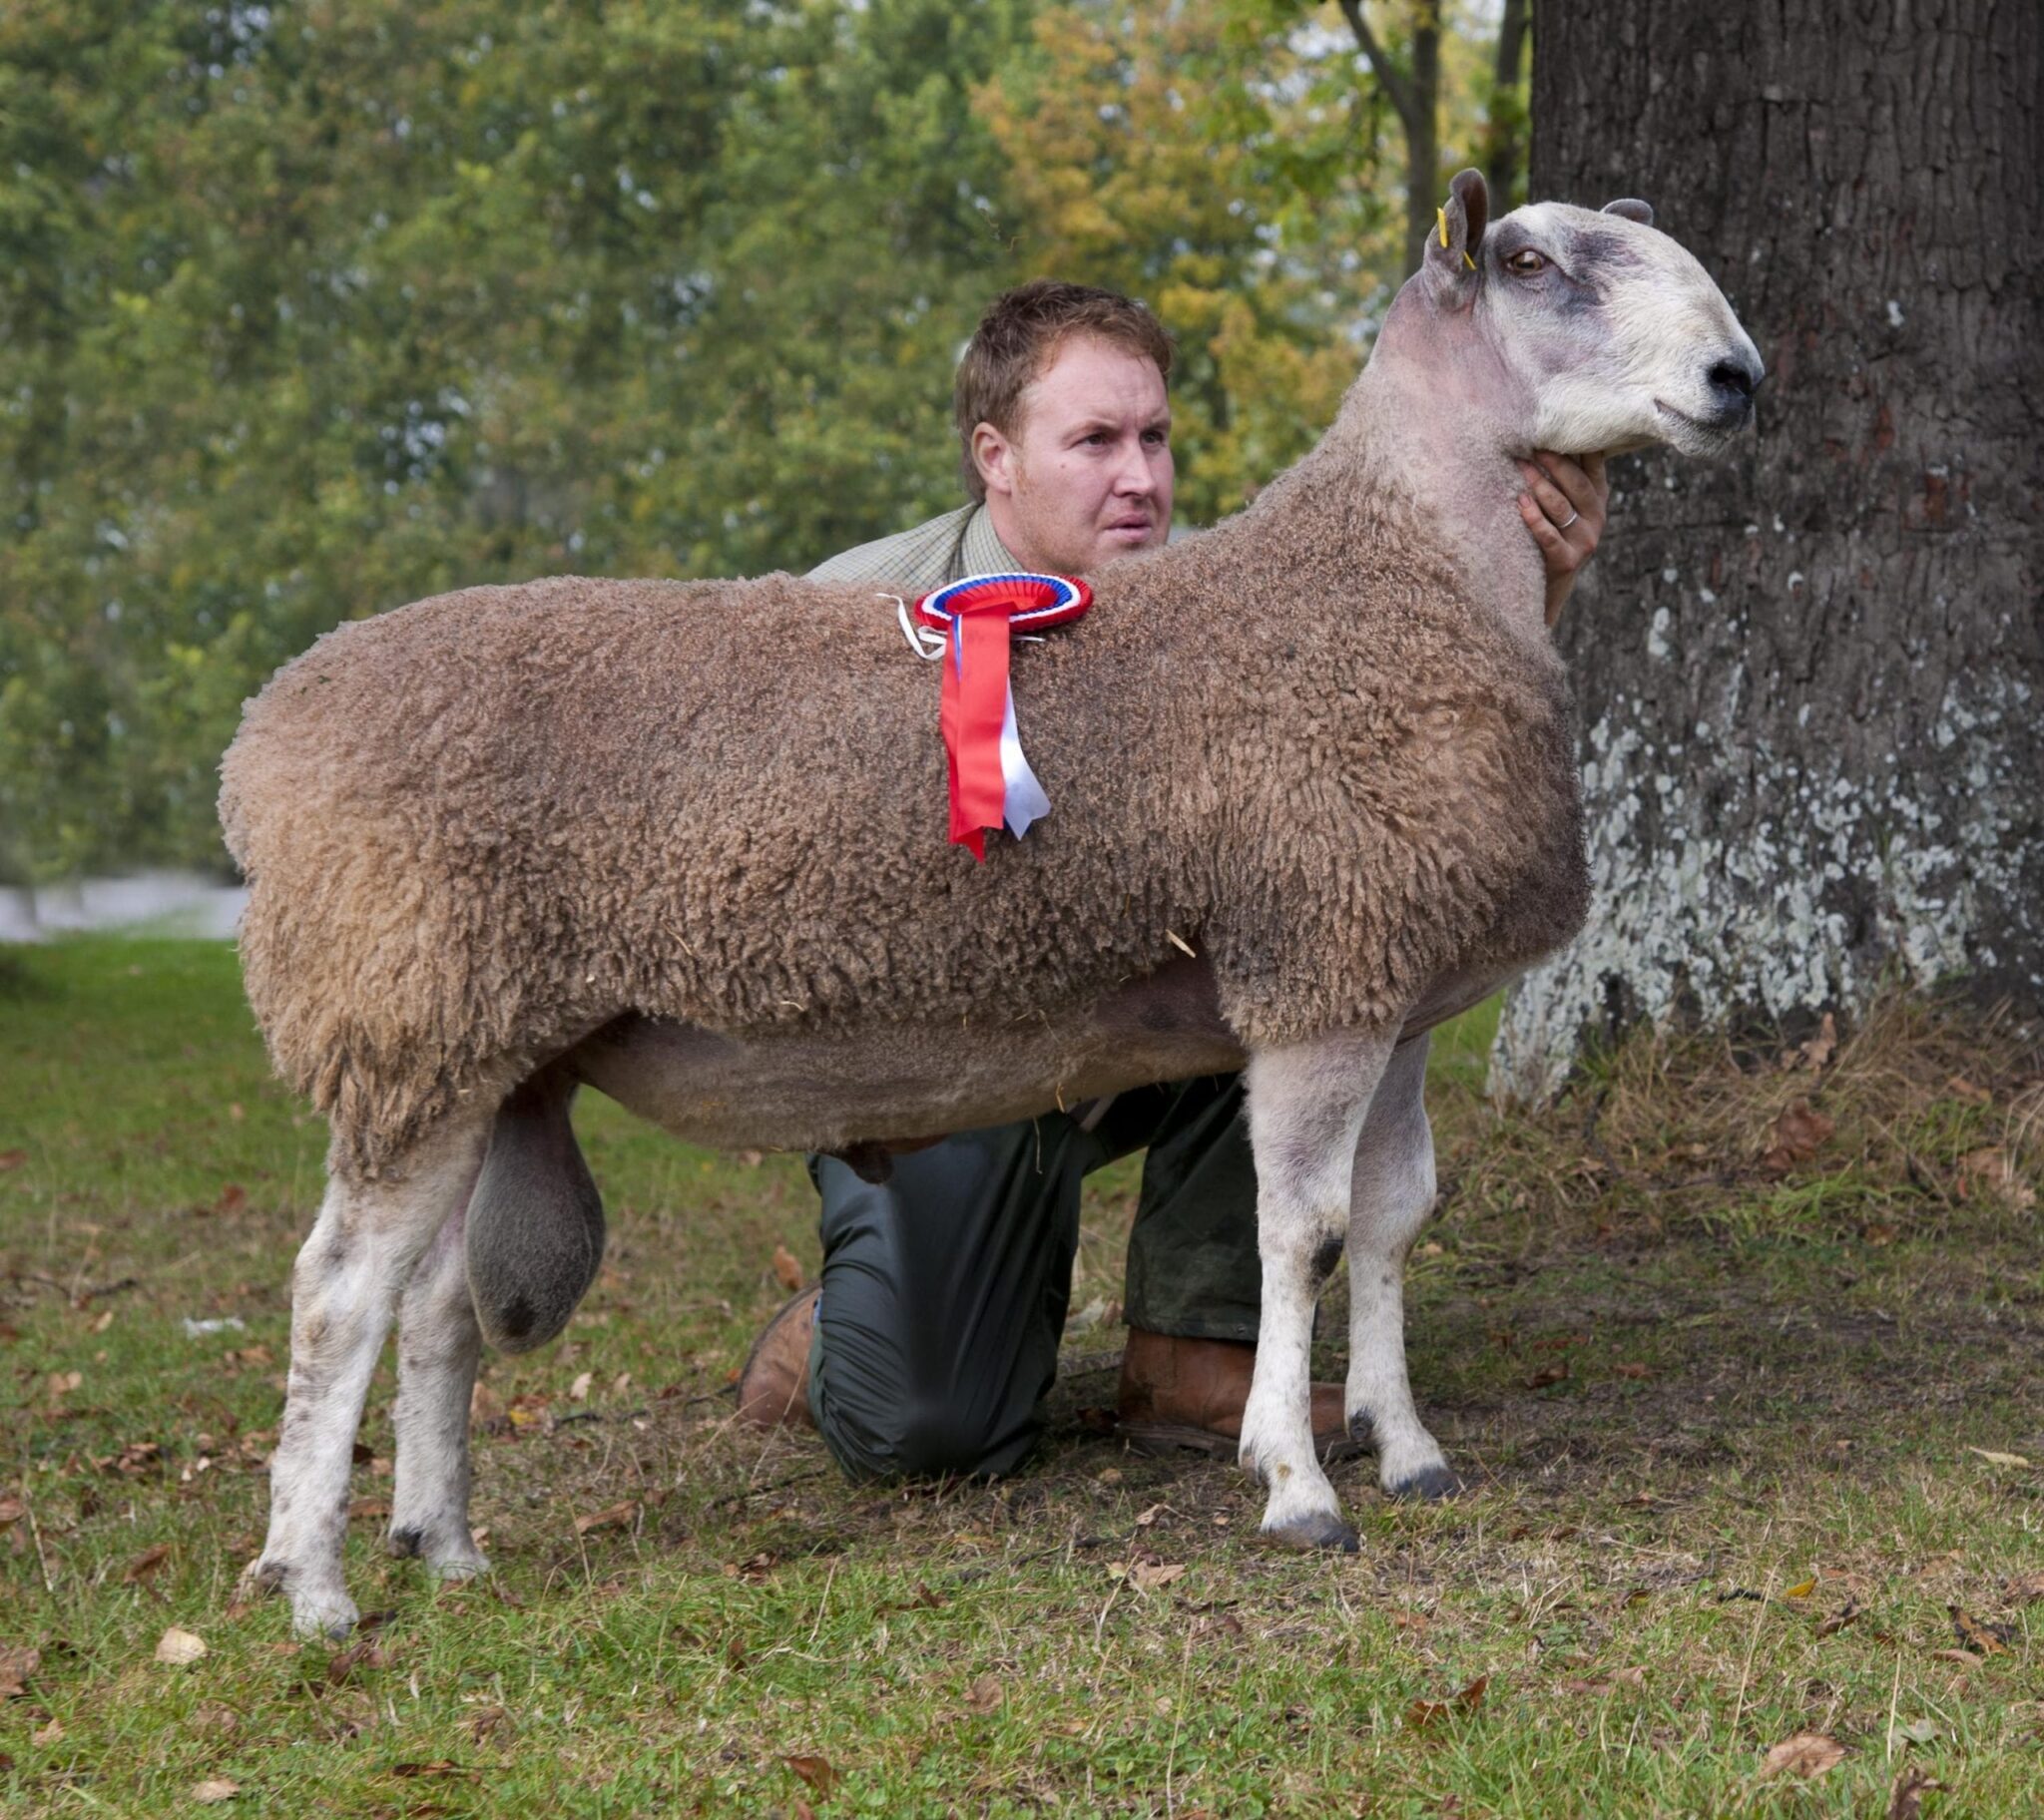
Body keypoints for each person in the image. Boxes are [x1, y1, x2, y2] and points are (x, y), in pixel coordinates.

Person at [736, 279, 1608, 1479]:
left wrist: (1535, 589)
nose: (1139, 476)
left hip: (1155, 1025)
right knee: (930, 1434)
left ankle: (1194, 1347)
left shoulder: (1237, 600)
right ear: (994, 456)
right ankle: (856, 1320)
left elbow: (1388, 805)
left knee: (1308, 946)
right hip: (945, 1064)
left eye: (1153, 436)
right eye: (1093, 442)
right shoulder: (857, 613)